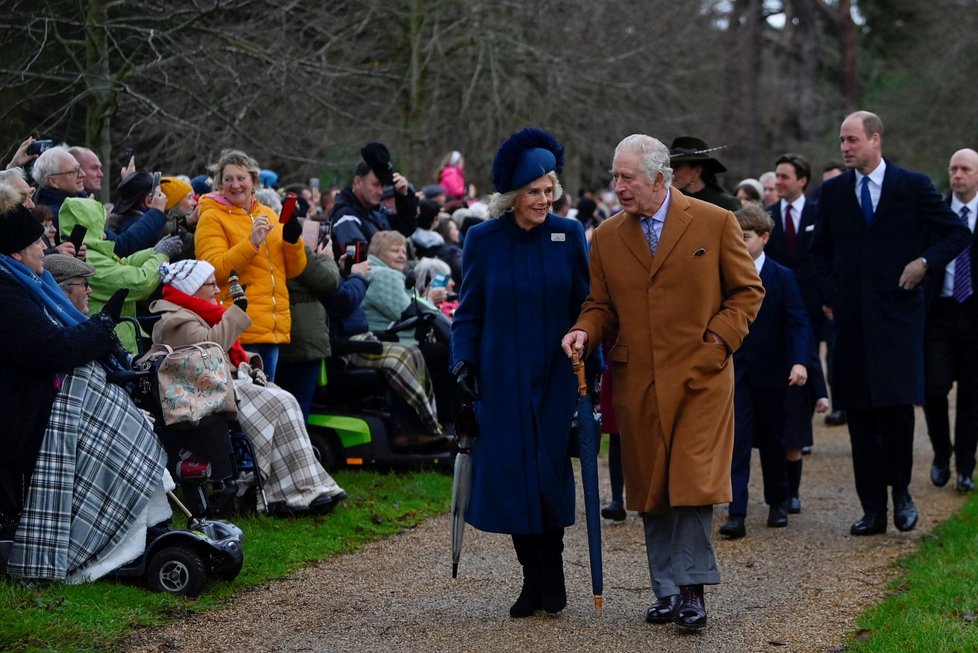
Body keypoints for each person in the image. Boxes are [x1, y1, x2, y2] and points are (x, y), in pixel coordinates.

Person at [561, 134, 763, 630]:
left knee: (691, 482)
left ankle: (693, 590)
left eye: (626, 177)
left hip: (702, 378)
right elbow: (600, 306)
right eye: (615, 176)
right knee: (652, 485)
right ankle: (667, 590)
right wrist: (583, 332)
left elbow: (746, 291)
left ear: (659, 177)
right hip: (640, 380)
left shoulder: (714, 222)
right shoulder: (607, 236)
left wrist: (718, 341)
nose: (618, 187)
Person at [811, 110, 971, 536]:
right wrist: (830, 294)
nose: (844, 148)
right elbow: (818, 251)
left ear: (875, 139)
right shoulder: (834, 194)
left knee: (897, 411)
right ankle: (873, 510)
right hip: (852, 324)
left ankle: (901, 493)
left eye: (852, 140)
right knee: (860, 417)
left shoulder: (912, 186)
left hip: (899, 319)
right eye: (841, 141)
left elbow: (957, 234)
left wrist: (924, 262)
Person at [0, 185, 171, 584]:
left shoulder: (22, 283)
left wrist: (99, 327)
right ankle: (101, 541)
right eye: (36, 243)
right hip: (19, 416)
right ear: (15, 252)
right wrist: (103, 326)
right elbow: (51, 348)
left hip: (33, 404)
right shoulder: (7, 293)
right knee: (115, 432)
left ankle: (138, 528)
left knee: (121, 421)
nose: (46, 248)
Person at [453, 127, 590, 618]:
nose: (543, 199)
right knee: (513, 479)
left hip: (554, 378)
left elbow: (587, 303)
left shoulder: (569, 235)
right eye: (533, 191)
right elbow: (468, 311)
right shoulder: (483, 240)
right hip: (502, 378)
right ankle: (533, 582)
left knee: (548, 476)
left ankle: (551, 576)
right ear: (512, 196)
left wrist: (586, 347)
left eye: (549, 190)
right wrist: (462, 361)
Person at [150, 259, 347, 516]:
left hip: (226, 384)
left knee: (286, 400)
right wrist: (236, 312)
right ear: (192, 288)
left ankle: (307, 488)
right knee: (281, 403)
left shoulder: (197, 312)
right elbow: (211, 350)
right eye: (210, 284)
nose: (216, 290)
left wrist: (249, 361)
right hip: (211, 392)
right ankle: (286, 494)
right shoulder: (176, 320)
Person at [719, 205, 810, 539]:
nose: (740, 244)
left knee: (773, 439)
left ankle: (778, 501)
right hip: (736, 372)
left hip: (773, 373)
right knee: (737, 440)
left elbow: (798, 322)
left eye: (745, 237)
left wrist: (800, 361)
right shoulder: (724, 274)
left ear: (764, 238)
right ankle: (736, 511)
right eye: (735, 237)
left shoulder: (781, 277)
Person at [195, 149, 307, 382]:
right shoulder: (212, 217)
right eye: (228, 179)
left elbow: (294, 270)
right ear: (219, 184)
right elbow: (212, 271)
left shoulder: (269, 214)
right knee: (246, 409)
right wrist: (251, 243)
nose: (235, 185)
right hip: (238, 330)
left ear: (254, 182)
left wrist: (293, 241)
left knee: (268, 405)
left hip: (272, 329)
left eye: (241, 178)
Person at [58, 197, 180, 354]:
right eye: (99, 224)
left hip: (116, 338)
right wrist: (162, 255)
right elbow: (139, 283)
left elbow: (123, 264)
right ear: (90, 226)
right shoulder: (89, 260)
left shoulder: (91, 253)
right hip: (112, 343)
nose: (103, 231)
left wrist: (155, 251)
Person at [923, 148, 978, 493]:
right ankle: (942, 453)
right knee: (933, 387)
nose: (958, 175)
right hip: (939, 312)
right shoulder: (937, 213)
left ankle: (965, 467)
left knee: (972, 396)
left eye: (965, 169)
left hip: (974, 314)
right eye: (953, 168)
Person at [329, 142, 418, 256]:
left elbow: (405, 228)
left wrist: (404, 196)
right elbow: (359, 258)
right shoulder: (346, 217)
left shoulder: (374, 212)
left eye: (382, 186)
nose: (380, 192)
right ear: (358, 182)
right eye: (376, 185)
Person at [668, 136, 741, 211]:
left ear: (697, 171)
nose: (670, 172)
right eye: (669, 167)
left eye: (676, 167)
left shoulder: (726, 204)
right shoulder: (667, 201)